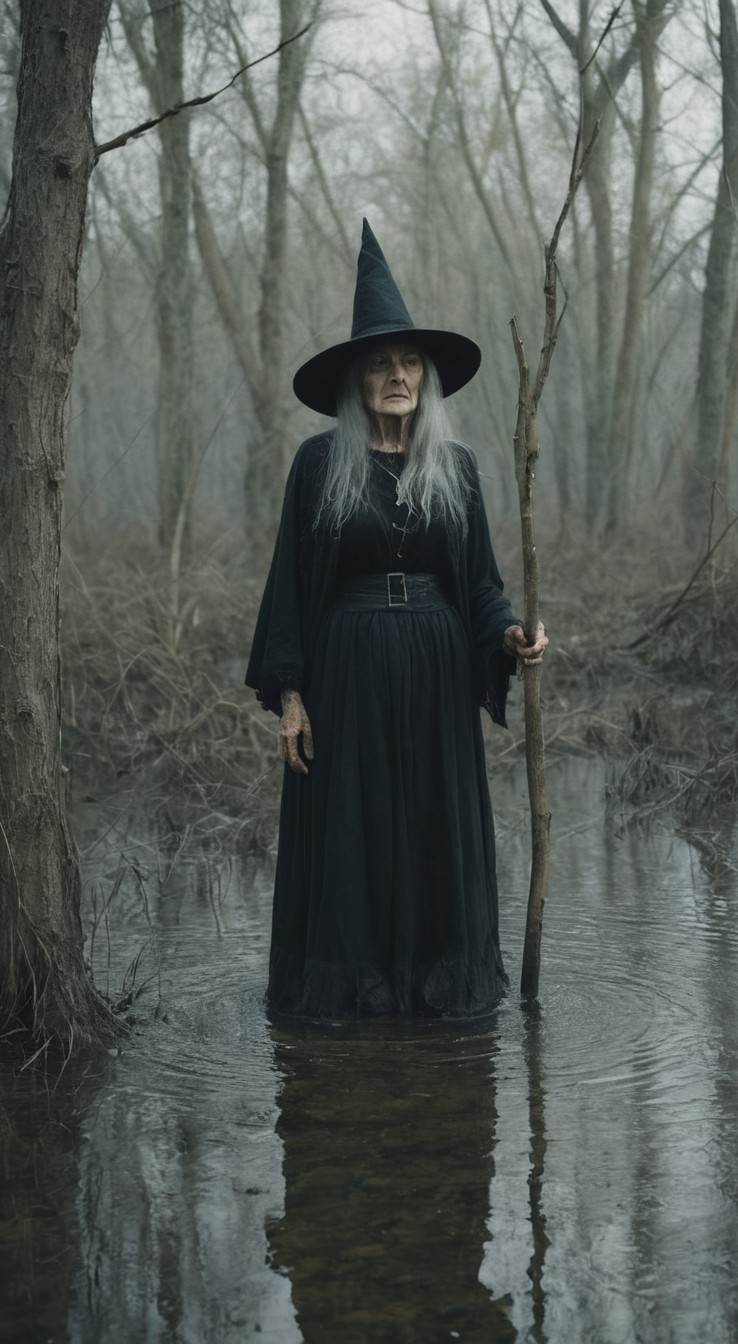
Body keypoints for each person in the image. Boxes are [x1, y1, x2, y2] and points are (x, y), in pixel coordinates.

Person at [245, 220, 547, 1019]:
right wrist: (292, 696)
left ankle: (438, 986)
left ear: (428, 378)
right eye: (380, 363)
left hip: (439, 675)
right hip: (346, 675)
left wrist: (512, 634)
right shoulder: (319, 466)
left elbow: (479, 583)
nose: (397, 375)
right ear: (356, 380)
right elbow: (289, 589)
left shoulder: (458, 469)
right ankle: (356, 989)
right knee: (352, 832)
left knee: (431, 827)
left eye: (410, 362)